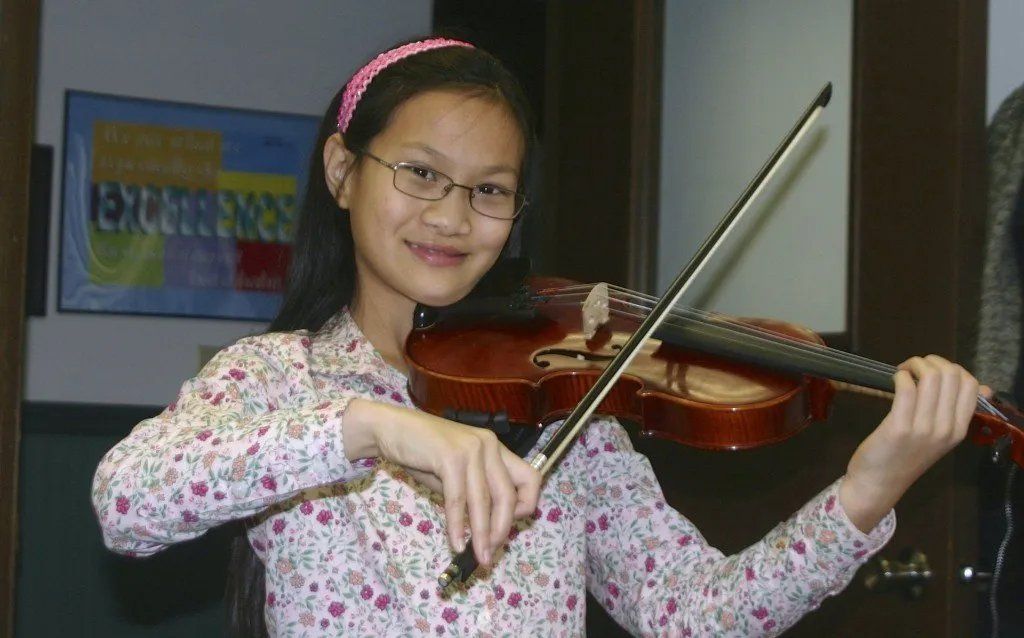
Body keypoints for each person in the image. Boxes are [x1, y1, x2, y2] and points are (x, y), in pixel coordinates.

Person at [92, 37, 987, 637]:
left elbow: (695, 616)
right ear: (341, 170)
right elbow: (125, 505)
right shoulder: (276, 381)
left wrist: (869, 489)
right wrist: (372, 424)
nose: (451, 216)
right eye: (420, 174)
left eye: (490, 189)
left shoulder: (565, 412)